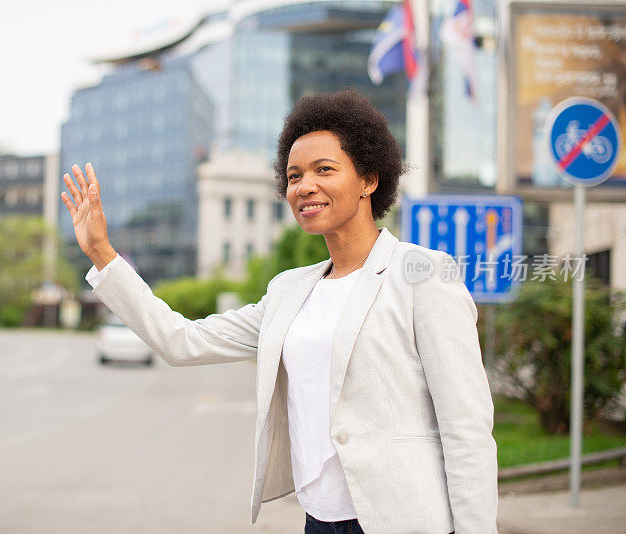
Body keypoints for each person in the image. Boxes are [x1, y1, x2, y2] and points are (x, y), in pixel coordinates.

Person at [60, 88, 498, 534]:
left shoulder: (422, 276)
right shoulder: (289, 291)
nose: (304, 186)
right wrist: (102, 253)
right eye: (293, 176)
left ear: (369, 180)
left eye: (324, 170)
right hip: (319, 521)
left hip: (403, 521)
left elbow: (467, 431)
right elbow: (181, 341)